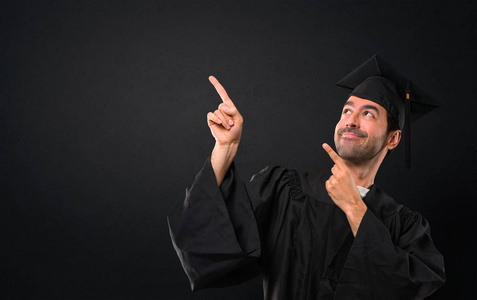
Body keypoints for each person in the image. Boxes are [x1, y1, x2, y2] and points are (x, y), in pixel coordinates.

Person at [168, 55, 445, 299]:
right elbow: (202, 239)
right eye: (347, 110)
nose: (351, 120)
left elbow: (404, 289)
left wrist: (353, 207)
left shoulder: (404, 227)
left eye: (368, 113)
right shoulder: (286, 191)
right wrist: (225, 148)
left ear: (393, 139)